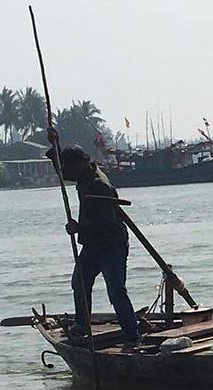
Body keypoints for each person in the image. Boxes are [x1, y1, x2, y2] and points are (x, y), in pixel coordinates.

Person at [47, 129, 139, 352]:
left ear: (80, 164)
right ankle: (82, 324)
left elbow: (107, 222)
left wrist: (79, 227)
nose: (67, 173)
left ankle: (131, 336)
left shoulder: (99, 184)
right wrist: (55, 145)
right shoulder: (82, 174)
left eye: (70, 168)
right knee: (80, 282)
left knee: (116, 290)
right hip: (93, 244)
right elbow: (63, 172)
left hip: (111, 244)